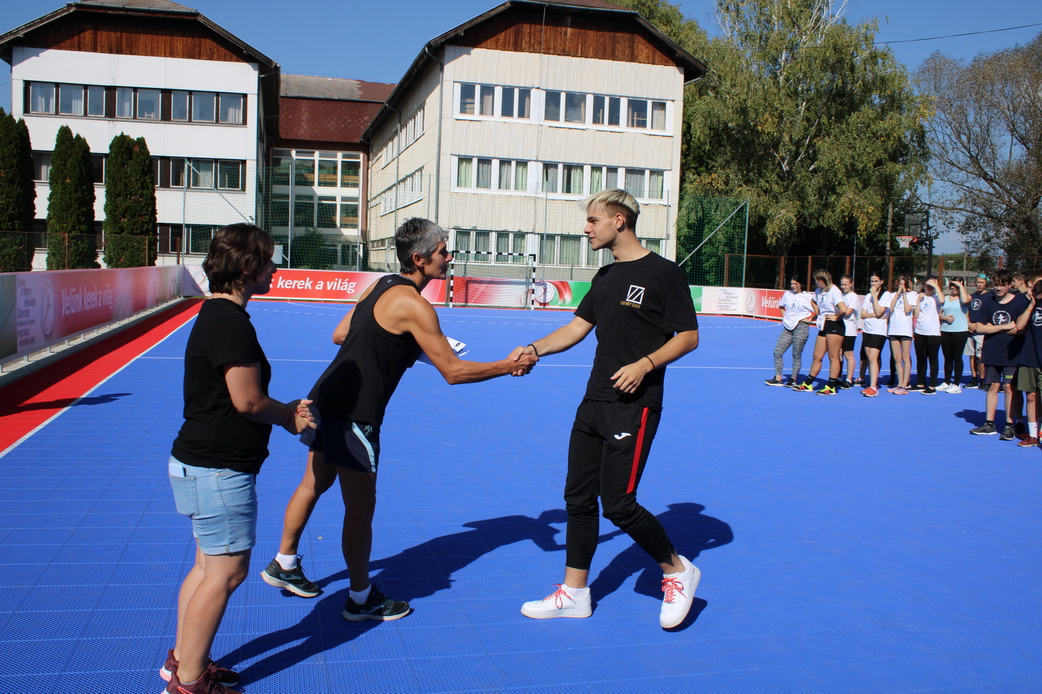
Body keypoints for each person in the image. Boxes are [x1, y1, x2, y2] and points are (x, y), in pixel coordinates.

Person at [260, 218, 536, 621]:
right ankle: (360, 599)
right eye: (443, 252)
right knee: (360, 509)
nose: (449, 257)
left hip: (325, 396)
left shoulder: (381, 285)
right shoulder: (416, 306)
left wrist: (403, 341)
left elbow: (341, 334)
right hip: (356, 414)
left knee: (313, 483)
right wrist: (507, 365)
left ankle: (284, 562)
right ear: (420, 259)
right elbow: (454, 372)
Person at [515, 189, 700, 629]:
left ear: (619, 220)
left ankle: (677, 570)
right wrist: (533, 350)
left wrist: (646, 364)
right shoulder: (604, 276)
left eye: (593, 220)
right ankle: (575, 593)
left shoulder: (664, 273)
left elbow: (689, 336)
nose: (586, 229)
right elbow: (576, 328)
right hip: (593, 401)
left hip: (634, 406)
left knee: (618, 504)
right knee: (578, 499)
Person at [165, 224, 316, 694]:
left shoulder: (216, 315)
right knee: (227, 573)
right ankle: (189, 683)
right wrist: (289, 416)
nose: (275, 268)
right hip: (218, 469)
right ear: (247, 268)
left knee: (206, 568)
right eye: (268, 260)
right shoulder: (231, 323)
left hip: (198, 463)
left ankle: (183, 662)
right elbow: (248, 400)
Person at [968, 270, 1029, 439]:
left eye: (1003, 285)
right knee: (993, 387)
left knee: (1009, 387)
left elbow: (1021, 329)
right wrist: (1004, 327)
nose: (999, 288)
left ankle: (1010, 425)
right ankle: (989, 423)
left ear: (1010, 285)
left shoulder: (1020, 302)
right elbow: (979, 327)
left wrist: (992, 328)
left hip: (1012, 353)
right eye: (996, 285)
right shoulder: (988, 302)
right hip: (992, 351)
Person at [793, 270, 847, 395]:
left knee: (833, 356)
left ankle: (831, 386)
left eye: (816, 281)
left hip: (835, 326)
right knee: (817, 356)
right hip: (824, 325)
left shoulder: (835, 291)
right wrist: (818, 313)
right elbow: (813, 301)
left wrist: (836, 317)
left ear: (822, 281)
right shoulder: (818, 291)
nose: (815, 283)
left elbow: (843, 309)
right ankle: (808, 383)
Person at [765, 276, 816, 386]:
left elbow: (818, 310)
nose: (793, 286)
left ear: (800, 284)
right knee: (777, 351)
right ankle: (778, 378)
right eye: (792, 284)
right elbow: (781, 307)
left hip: (801, 327)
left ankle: (793, 379)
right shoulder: (787, 294)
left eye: (795, 284)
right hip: (787, 328)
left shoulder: (808, 296)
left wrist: (810, 319)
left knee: (796, 353)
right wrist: (785, 318)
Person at [1013, 280, 1042, 448]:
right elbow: (1020, 325)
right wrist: (1031, 305)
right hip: (1029, 357)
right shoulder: (1030, 306)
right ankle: (1032, 434)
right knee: (1030, 396)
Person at [859, 271, 891, 397]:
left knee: (873, 357)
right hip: (867, 329)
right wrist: (873, 315)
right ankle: (873, 382)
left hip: (879, 330)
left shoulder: (886, 295)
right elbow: (863, 314)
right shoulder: (868, 296)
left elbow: (879, 311)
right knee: (871, 358)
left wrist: (874, 296)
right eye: (872, 281)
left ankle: (873, 387)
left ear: (881, 281)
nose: (873, 283)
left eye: (876, 281)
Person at [938, 279, 971, 393]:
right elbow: (939, 314)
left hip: (960, 331)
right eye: (953, 285)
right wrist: (945, 318)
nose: (954, 288)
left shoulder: (965, 298)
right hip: (945, 330)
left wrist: (960, 286)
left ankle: (956, 384)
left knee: (957, 357)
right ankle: (946, 382)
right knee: (947, 357)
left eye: (957, 286)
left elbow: (965, 301)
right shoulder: (945, 299)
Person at [886, 274, 916, 395]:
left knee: (905, 357)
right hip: (894, 329)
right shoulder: (892, 295)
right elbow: (890, 309)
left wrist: (904, 295)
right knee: (896, 358)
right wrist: (898, 294)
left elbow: (908, 309)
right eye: (900, 284)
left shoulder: (912, 295)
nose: (901, 286)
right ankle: (899, 383)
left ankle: (905, 384)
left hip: (905, 330)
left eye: (903, 284)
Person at [912, 278, 943, 394]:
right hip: (920, 331)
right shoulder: (920, 297)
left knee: (933, 359)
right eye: (927, 285)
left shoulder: (936, 297)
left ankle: (932, 385)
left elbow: (942, 301)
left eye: (932, 285)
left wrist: (936, 286)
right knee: (921, 358)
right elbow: (916, 315)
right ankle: (920, 382)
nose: (929, 287)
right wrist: (918, 301)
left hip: (933, 333)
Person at [965, 273, 990, 389]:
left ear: (986, 284)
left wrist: (982, 325)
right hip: (971, 330)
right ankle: (974, 378)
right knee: (972, 355)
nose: (979, 285)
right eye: (978, 282)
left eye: (982, 283)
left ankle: (983, 379)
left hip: (981, 331)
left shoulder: (990, 296)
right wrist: (969, 324)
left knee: (980, 356)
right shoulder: (972, 296)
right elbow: (967, 312)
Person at [839, 274, 860, 388]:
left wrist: (838, 312)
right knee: (838, 353)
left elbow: (847, 312)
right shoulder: (841, 296)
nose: (843, 286)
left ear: (851, 284)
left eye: (846, 284)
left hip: (849, 329)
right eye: (842, 284)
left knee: (848, 354)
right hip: (840, 328)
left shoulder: (853, 296)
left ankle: (849, 379)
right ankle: (838, 376)